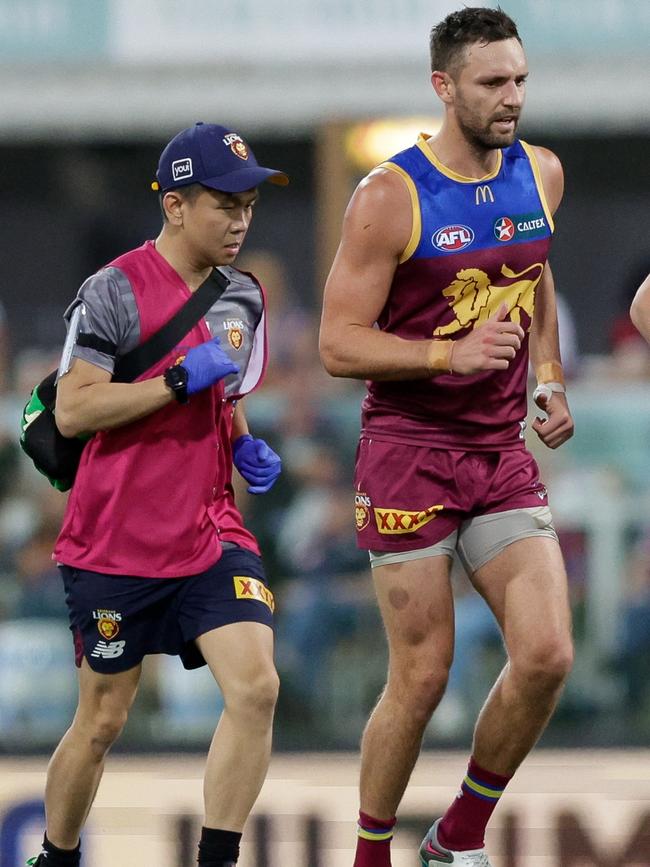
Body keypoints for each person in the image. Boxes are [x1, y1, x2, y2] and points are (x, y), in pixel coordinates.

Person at [319, 8, 575, 867]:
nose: (512, 99)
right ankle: (369, 851)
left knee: (546, 654)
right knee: (422, 677)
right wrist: (448, 352)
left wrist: (548, 376)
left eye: (520, 80)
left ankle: (458, 835)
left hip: (499, 451)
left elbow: (530, 269)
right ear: (444, 86)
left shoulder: (541, 172)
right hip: (408, 448)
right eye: (493, 83)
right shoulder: (389, 197)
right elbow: (336, 344)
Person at [29, 122, 287, 867]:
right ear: (174, 206)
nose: (240, 220)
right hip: (115, 541)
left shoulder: (244, 296)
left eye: (248, 205)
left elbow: (226, 388)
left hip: (211, 530)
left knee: (257, 686)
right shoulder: (111, 291)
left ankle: (216, 859)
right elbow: (76, 408)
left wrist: (241, 441)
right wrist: (176, 381)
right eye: (222, 204)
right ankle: (57, 853)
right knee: (103, 718)